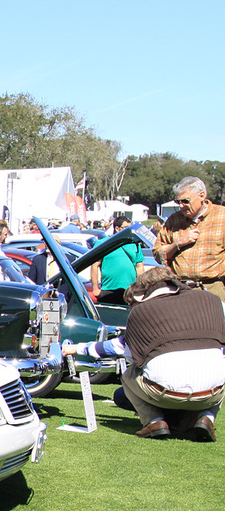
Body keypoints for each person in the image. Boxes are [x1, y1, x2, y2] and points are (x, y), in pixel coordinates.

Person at [65, 266, 225, 440]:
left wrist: (77, 348)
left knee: (128, 374)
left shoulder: (143, 311)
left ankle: (154, 421)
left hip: (163, 392)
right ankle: (207, 417)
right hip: (212, 392)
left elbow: (119, 348)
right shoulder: (214, 301)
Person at [155, 177, 225, 302]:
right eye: (178, 202)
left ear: (202, 196)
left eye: (185, 201)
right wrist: (177, 244)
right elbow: (158, 253)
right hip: (180, 289)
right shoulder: (173, 220)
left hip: (213, 289)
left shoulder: (222, 217)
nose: (181, 206)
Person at [96, 228, 145, 304]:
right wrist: (95, 289)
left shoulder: (134, 244)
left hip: (129, 290)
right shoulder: (104, 243)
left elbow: (139, 266)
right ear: (118, 228)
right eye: (125, 227)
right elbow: (95, 266)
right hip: (108, 290)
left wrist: (141, 288)